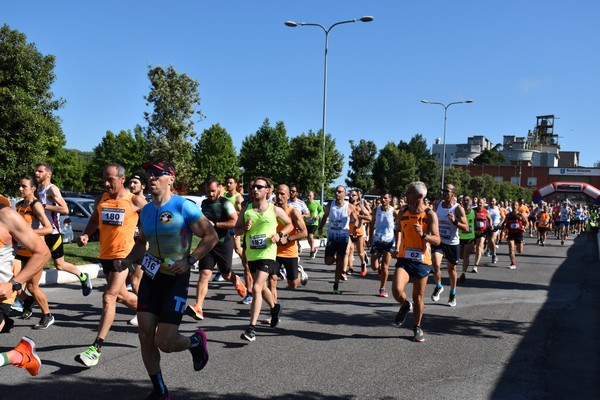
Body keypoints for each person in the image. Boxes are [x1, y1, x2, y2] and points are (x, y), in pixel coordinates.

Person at [116, 161, 217, 399]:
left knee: (165, 341)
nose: (150, 177)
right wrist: (129, 261)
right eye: (148, 173)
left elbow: (210, 236)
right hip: (152, 277)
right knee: (144, 334)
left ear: (170, 178)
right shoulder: (148, 211)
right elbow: (142, 243)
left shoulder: (184, 206)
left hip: (176, 278)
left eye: (157, 174)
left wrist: (190, 260)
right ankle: (159, 390)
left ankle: (195, 342)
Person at [75, 163, 145, 367]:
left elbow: (152, 219)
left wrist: (147, 240)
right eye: (104, 179)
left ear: (122, 179)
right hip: (105, 255)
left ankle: (95, 348)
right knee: (122, 296)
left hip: (124, 257)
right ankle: (151, 314)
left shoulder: (134, 200)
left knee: (109, 296)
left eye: (111, 179)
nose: (106, 183)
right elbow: (94, 219)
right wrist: (87, 234)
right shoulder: (102, 199)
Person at [235, 177, 293, 342]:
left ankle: (251, 328)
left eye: (259, 187)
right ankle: (275, 308)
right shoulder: (247, 210)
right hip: (252, 254)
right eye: (253, 187)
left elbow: (289, 224)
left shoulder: (274, 210)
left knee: (256, 287)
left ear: (268, 190)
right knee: (260, 287)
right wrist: (244, 228)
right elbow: (237, 231)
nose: (255, 189)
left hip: (268, 253)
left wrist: (280, 234)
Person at [0, 198, 51, 375]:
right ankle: (18, 355)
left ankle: (19, 356)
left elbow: (43, 252)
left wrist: (14, 283)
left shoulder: (7, 216)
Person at [185, 177, 247, 321]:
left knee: (225, 274)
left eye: (213, 191)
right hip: (208, 244)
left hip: (223, 243)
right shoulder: (205, 203)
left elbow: (234, 222)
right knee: (204, 275)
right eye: (208, 191)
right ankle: (198, 307)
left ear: (219, 188)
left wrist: (216, 224)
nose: (210, 194)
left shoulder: (225, 203)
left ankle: (236, 280)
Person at [34, 162, 92, 296]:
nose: (37, 173)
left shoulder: (52, 189)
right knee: (34, 260)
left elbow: (65, 209)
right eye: (36, 171)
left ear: (49, 174)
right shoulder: (37, 189)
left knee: (59, 264)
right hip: (41, 232)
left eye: (40, 171)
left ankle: (83, 276)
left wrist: (44, 207)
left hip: (53, 232)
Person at [392, 182, 440, 342]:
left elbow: (437, 240)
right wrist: (396, 246)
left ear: (419, 196)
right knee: (396, 290)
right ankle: (405, 305)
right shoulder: (403, 211)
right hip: (404, 258)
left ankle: (417, 327)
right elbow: (398, 229)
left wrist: (424, 235)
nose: (405, 195)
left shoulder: (430, 215)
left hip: (422, 261)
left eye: (409, 193)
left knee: (418, 297)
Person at [14, 176, 54, 328]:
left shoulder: (36, 206)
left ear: (33, 189)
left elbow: (48, 228)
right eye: (20, 186)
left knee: (32, 287)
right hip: (20, 251)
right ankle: (27, 300)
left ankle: (47, 315)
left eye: (24, 186)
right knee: (12, 280)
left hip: (35, 254)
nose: (20, 189)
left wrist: (29, 234)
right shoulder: (18, 205)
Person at [268, 184, 308, 306]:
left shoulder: (293, 212)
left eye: (282, 194)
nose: (279, 196)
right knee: (272, 280)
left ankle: (300, 274)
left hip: (290, 252)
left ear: (288, 196)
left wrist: (289, 238)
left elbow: (304, 232)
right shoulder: (271, 210)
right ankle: (274, 311)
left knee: (293, 284)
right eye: (277, 194)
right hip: (274, 251)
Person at [430, 183, 468, 307]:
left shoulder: (458, 208)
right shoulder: (437, 205)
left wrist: (455, 221)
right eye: (443, 190)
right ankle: (439, 286)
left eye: (447, 191)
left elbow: (466, 228)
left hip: (452, 243)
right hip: (439, 241)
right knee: (435, 263)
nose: (444, 193)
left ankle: (452, 293)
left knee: (451, 269)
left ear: (453, 193)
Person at [317, 186, 359, 294]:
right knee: (328, 261)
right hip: (332, 237)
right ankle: (338, 262)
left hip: (343, 238)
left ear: (345, 194)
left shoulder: (349, 206)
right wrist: (320, 227)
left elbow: (356, 219)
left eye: (340, 191)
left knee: (340, 261)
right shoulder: (330, 205)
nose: (337, 193)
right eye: (336, 191)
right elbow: (325, 217)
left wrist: (355, 227)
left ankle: (336, 285)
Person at [368, 189, 398, 298]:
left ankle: (382, 288)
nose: (383, 200)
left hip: (389, 241)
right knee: (374, 266)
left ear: (390, 199)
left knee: (385, 266)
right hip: (377, 240)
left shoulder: (394, 211)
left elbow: (400, 225)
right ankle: (379, 268)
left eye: (385, 198)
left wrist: (398, 244)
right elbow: (371, 225)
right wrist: (370, 238)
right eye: (381, 198)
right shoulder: (376, 210)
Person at [127, 169, 148, 298]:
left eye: (135, 182)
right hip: (127, 247)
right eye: (130, 182)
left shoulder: (147, 205)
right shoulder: (126, 202)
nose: (132, 185)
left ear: (143, 186)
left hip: (141, 247)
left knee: (135, 282)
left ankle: (141, 311)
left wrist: (147, 244)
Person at [347, 189, 371, 277]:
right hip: (349, 231)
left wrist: (360, 218)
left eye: (353, 195)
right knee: (350, 251)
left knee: (360, 252)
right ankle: (350, 268)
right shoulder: (347, 205)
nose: (351, 196)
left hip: (359, 232)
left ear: (357, 197)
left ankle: (363, 263)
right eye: (350, 195)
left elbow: (369, 217)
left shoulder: (360, 206)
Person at [503, 201, 529, 269]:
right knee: (511, 248)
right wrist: (504, 227)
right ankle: (512, 263)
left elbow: (527, 223)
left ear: (518, 206)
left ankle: (521, 242)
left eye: (516, 205)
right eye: (513, 205)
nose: (514, 206)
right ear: (511, 206)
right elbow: (504, 223)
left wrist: (524, 228)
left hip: (519, 233)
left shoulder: (520, 215)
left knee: (519, 251)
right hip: (511, 233)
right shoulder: (508, 215)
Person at [471, 198, 492, 274]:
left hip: (482, 232)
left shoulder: (486, 211)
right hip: (473, 232)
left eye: (481, 203)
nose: (479, 204)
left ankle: (475, 266)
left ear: (484, 204)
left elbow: (489, 219)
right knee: (473, 249)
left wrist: (491, 225)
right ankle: (480, 251)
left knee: (479, 247)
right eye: (478, 203)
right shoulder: (473, 210)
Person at [458, 196, 476, 284]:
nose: (465, 202)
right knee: (460, 256)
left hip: (470, 237)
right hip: (460, 237)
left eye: (467, 200)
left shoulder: (474, 212)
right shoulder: (459, 211)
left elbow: (477, 223)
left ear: (471, 201)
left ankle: (463, 273)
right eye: (464, 200)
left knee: (466, 256)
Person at [305, 190, 323, 259]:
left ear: (313, 196)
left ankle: (312, 250)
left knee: (310, 235)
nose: (308, 197)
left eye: (310, 196)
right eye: (308, 196)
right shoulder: (305, 203)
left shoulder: (316, 203)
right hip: (306, 222)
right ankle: (313, 249)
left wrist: (318, 216)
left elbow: (321, 211)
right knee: (308, 236)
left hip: (314, 222)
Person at [485, 198, 504, 264]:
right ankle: (491, 252)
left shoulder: (498, 209)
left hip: (495, 226)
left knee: (492, 240)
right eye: (490, 201)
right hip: (488, 226)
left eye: (493, 201)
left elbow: (503, 217)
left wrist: (500, 223)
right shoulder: (487, 208)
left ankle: (494, 255)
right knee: (489, 241)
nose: (491, 202)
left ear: (496, 202)